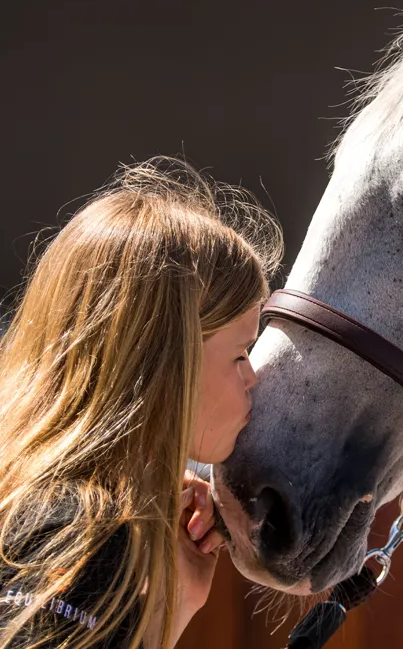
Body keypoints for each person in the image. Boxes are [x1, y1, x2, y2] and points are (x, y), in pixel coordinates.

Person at [0, 158, 282, 649]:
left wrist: (171, 613)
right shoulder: (78, 532)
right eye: (240, 353)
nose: (252, 376)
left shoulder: (47, 512)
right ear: (167, 364)